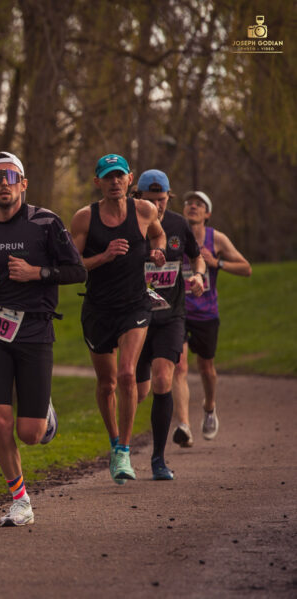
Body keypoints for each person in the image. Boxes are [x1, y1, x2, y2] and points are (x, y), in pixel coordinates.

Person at [0, 151, 86, 526]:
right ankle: (20, 500)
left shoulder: (46, 223)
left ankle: (43, 411)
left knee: (30, 434)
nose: (4, 184)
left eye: (11, 177)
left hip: (34, 329)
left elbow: (77, 271)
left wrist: (37, 272)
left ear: (24, 184)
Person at [69, 153, 166, 485]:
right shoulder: (85, 219)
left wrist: (157, 251)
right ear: (97, 182)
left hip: (135, 306)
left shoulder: (145, 211)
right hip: (98, 310)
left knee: (127, 374)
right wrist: (105, 256)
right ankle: (113, 441)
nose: (114, 182)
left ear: (130, 179)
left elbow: (158, 236)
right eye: (107, 177)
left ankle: (124, 450)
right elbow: (72, 265)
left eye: (119, 176)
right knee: (107, 383)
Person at [132, 170, 206, 481]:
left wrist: (198, 275)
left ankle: (158, 460)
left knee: (164, 378)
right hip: (135, 318)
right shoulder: (128, 224)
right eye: (150, 201)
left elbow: (197, 257)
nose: (157, 207)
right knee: (136, 390)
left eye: (162, 200)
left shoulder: (177, 225)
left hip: (171, 317)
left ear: (168, 198)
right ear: (139, 199)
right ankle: (120, 448)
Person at [171, 191, 252, 446]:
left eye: (199, 204)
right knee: (180, 366)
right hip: (178, 311)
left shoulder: (215, 238)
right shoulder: (173, 234)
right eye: (188, 203)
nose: (193, 207)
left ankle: (209, 407)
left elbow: (246, 268)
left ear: (207, 213)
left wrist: (217, 262)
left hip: (206, 313)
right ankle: (183, 425)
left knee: (206, 368)